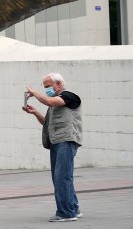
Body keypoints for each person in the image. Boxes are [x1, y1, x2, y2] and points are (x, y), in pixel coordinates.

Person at [22, 73, 83, 222]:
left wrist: (35, 93)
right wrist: (35, 112)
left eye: (48, 86)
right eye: (44, 87)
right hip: (56, 142)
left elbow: (48, 100)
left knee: (62, 177)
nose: (46, 89)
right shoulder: (55, 104)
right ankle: (73, 208)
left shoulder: (69, 96)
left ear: (59, 84)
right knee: (61, 178)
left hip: (66, 141)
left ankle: (66, 213)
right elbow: (47, 124)